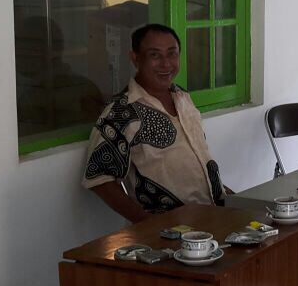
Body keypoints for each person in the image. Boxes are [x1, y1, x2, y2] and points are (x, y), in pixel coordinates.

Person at [82, 23, 216, 222]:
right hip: (171, 228)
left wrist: (223, 193)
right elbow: (99, 179)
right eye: (155, 55)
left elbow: (197, 159)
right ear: (135, 58)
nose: (166, 64)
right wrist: (148, 224)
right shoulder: (122, 111)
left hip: (213, 215)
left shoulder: (182, 96)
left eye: (172, 54)